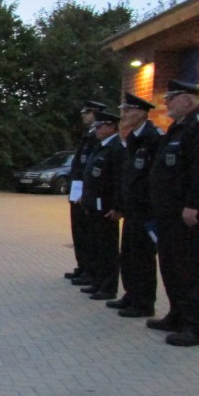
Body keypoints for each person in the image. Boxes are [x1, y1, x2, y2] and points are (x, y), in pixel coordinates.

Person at [147, 80, 199, 347]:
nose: (166, 102)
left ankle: (196, 327)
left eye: (171, 97)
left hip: (190, 214)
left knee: (191, 267)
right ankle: (178, 314)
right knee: (171, 264)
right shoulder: (180, 127)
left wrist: (193, 204)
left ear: (188, 99)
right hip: (171, 214)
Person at [107, 93, 163, 317]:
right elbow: (128, 178)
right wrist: (120, 205)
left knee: (143, 257)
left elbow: (156, 178)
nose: (124, 115)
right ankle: (131, 295)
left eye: (128, 111)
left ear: (141, 112)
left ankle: (144, 302)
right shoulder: (133, 138)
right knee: (129, 255)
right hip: (132, 209)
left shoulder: (153, 138)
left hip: (146, 210)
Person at [78, 110, 124, 300]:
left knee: (107, 248)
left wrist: (118, 206)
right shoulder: (100, 146)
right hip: (93, 204)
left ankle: (108, 286)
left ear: (112, 127)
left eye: (100, 125)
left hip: (106, 207)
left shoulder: (116, 148)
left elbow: (119, 180)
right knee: (96, 245)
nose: (96, 129)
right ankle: (98, 281)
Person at [66, 101, 107, 284]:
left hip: (87, 192)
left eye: (87, 112)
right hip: (78, 189)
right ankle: (83, 266)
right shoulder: (88, 135)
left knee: (89, 234)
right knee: (79, 232)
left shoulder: (98, 138)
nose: (83, 116)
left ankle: (90, 270)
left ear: (96, 113)